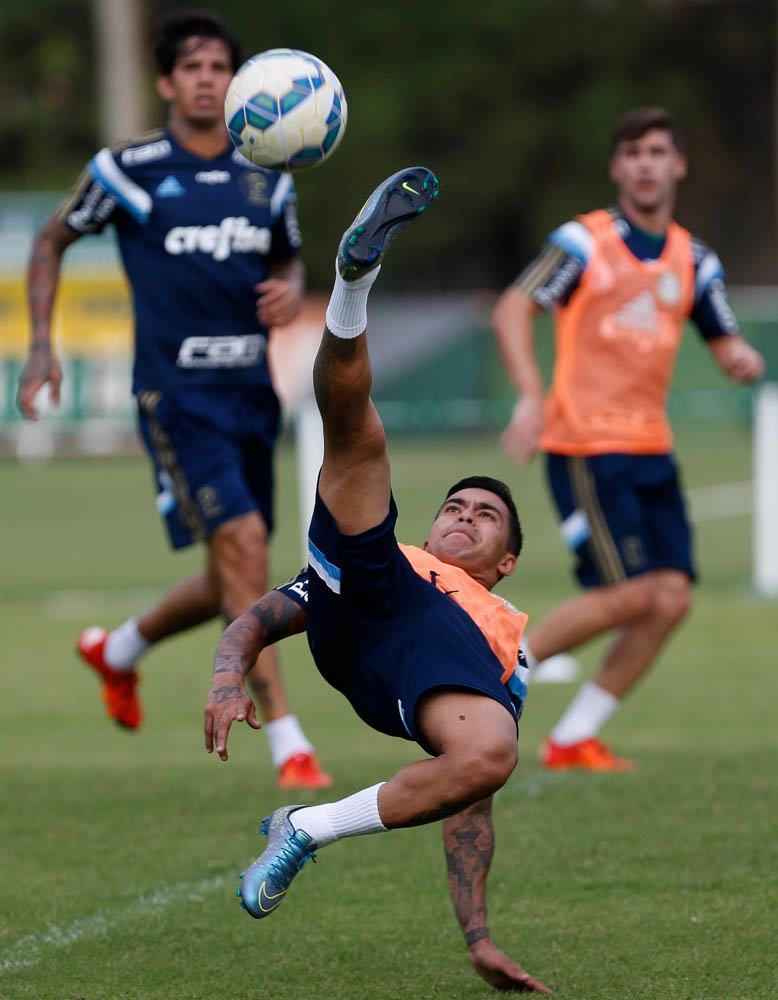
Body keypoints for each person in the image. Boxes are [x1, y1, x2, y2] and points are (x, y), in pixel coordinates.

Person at [204, 167, 550, 994]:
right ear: (431, 527)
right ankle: (354, 282)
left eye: (487, 516)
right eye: (455, 506)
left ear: (506, 563)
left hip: (419, 664)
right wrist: (224, 677)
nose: (464, 516)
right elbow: (255, 617)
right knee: (356, 437)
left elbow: (468, 793)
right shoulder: (408, 556)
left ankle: (304, 830)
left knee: (492, 751)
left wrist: (477, 934)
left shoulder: (507, 639)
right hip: (375, 593)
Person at [16, 9, 331, 790]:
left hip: (249, 393)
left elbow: (288, 267)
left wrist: (288, 295)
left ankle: (117, 650)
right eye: (190, 67)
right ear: (165, 81)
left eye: (218, 67)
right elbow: (52, 237)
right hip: (176, 395)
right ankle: (290, 740)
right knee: (248, 545)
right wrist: (42, 345)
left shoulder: (271, 175)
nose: (205, 80)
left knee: (234, 568)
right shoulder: (130, 168)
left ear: (239, 81)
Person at [493, 106, 765, 772]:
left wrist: (740, 359)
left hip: (652, 448)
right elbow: (513, 306)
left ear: (678, 166)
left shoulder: (694, 260)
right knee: (632, 594)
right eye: (633, 152)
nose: (646, 163)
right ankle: (489, 669)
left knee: (670, 599)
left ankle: (573, 737)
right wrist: (532, 393)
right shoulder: (585, 243)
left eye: (657, 152)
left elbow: (726, 339)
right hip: (585, 445)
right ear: (617, 168)